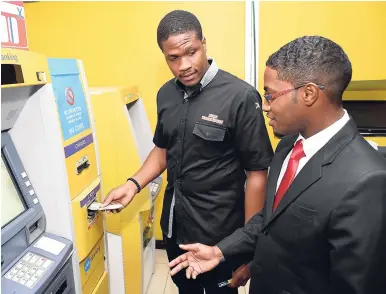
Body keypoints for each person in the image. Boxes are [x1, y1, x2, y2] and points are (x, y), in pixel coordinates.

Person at [168, 35, 386, 294]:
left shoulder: (367, 180)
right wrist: (220, 251)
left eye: (270, 96)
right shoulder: (287, 146)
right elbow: (271, 219)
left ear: (308, 93)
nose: (265, 107)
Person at [102, 10, 273, 294]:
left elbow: (256, 174)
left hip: (219, 236)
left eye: (191, 52)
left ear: (204, 43)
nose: (184, 65)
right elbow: (162, 150)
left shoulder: (240, 97)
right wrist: (133, 185)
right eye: (173, 58)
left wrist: (246, 247)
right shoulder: (165, 95)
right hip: (176, 227)